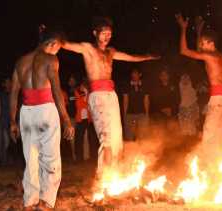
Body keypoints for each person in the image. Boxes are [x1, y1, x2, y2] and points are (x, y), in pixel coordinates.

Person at [62, 17, 160, 177]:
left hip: (111, 96)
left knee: (116, 138)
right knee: (106, 137)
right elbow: (66, 45)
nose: (107, 36)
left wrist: (147, 57)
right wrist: (49, 37)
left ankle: (114, 174)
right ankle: (103, 177)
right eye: (104, 33)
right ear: (95, 33)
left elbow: (130, 57)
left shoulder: (111, 52)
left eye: (110, 33)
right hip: (98, 96)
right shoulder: (87, 48)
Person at [10, 29, 75, 211]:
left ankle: (30, 201)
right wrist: (66, 119)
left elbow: (14, 92)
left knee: (30, 157)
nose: (57, 52)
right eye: (58, 48)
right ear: (52, 44)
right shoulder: (50, 59)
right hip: (45, 110)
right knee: (50, 157)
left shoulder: (20, 61)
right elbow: (56, 89)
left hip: (26, 112)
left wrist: (12, 121)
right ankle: (46, 202)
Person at [176, 14, 222, 163]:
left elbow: (184, 51)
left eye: (203, 43)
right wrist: (199, 32)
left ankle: (208, 170)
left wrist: (183, 29)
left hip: (219, 99)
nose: (201, 46)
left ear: (210, 43)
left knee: (209, 136)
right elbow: (200, 51)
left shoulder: (209, 56)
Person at [123, 68, 150, 141]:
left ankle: (142, 150)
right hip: (130, 114)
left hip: (142, 114)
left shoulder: (144, 85)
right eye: (133, 74)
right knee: (129, 135)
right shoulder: (127, 85)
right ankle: (131, 149)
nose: (134, 75)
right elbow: (125, 100)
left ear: (139, 75)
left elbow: (146, 100)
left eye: (135, 73)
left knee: (143, 135)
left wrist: (147, 114)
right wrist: (125, 114)